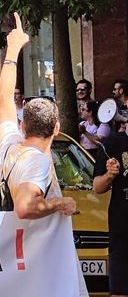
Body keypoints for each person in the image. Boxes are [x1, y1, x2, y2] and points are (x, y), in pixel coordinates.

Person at [0, 13, 76, 219]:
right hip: (35, 249)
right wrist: (60, 202)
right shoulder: (37, 161)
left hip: (13, 248)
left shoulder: (10, 146)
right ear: (56, 128)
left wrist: (13, 50)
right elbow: (25, 207)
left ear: (22, 126)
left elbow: (4, 98)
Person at [93, 111, 128, 297]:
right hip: (122, 231)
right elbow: (97, 187)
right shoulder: (112, 143)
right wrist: (109, 175)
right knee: (120, 290)